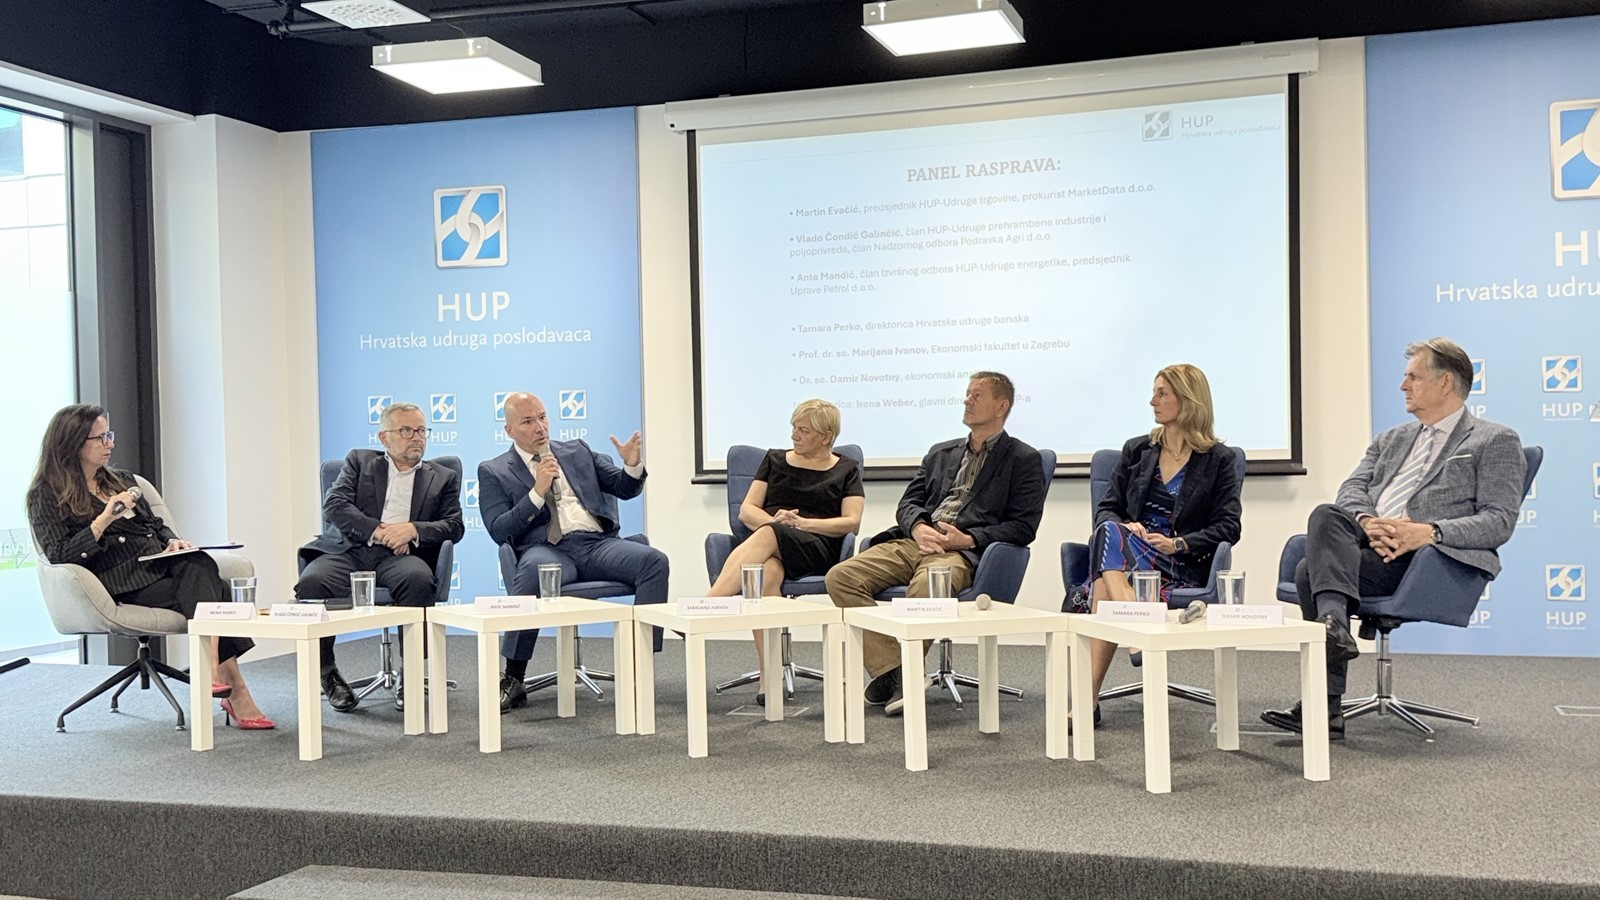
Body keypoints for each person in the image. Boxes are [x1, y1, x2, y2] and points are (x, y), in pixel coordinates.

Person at [1261, 337, 1525, 740]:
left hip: (1425, 559)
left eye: (1413, 377)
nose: (1403, 386)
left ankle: (1325, 698)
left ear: (1445, 382)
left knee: (1308, 572)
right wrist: (1370, 523)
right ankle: (1334, 634)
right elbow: (1352, 489)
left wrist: (1427, 532)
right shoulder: (1392, 439)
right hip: (1368, 544)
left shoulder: (1493, 440)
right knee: (1326, 514)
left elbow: (1498, 521)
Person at [26, 404, 274, 729]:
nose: (111, 444)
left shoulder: (123, 481)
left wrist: (173, 542)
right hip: (117, 581)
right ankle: (231, 686)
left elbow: (156, 525)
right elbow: (59, 554)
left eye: (110, 435)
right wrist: (103, 520)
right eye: (101, 438)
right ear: (72, 443)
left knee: (197, 562)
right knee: (217, 589)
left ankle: (215, 673)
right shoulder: (45, 496)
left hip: (158, 567)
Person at [826, 372, 1045, 716]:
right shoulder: (941, 452)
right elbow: (908, 503)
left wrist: (968, 538)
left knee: (925, 589)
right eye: (967, 393)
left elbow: (1023, 526)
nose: (967, 400)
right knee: (841, 577)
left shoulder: (1023, 459)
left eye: (977, 395)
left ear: (1001, 406)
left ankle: (897, 674)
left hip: (961, 551)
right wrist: (917, 527)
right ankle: (898, 671)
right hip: (915, 541)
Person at [478, 392, 668, 713]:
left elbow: (624, 487)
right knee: (533, 572)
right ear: (509, 430)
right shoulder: (494, 470)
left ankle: (640, 665)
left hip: (596, 545)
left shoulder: (577, 450)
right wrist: (537, 491)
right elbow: (500, 530)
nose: (540, 427)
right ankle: (514, 676)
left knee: (654, 562)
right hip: (547, 549)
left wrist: (632, 465)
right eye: (528, 421)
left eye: (542, 417)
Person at [1076, 364, 1241, 728]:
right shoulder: (1137, 450)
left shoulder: (1218, 460)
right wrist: (1126, 526)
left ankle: (1089, 698)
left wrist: (1178, 543)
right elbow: (1107, 508)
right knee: (1109, 528)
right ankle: (1137, 620)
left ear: (1188, 399)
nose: (1153, 401)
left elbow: (1229, 526)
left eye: (1162, 393)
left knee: (1103, 582)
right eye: (1154, 393)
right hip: (1130, 555)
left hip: (1177, 563)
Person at [295, 401, 464, 712]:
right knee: (312, 583)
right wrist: (379, 530)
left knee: (418, 580)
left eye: (421, 430)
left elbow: (454, 525)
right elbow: (335, 505)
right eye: (406, 431)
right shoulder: (360, 461)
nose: (417, 437)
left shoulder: (443, 476)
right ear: (385, 437)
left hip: (401, 555)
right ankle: (327, 673)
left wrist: (412, 530)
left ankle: (411, 672)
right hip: (350, 549)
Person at [706, 400, 865, 701]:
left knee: (770, 533)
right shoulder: (774, 460)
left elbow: (852, 521)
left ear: (826, 437)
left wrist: (803, 524)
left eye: (804, 430)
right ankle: (769, 679)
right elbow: (747, 511)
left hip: (818, 547)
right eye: (794, 427)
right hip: (773, 544)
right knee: (765, 575)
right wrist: (777, 523)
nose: (795, 435)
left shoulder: (846, 468)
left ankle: (710, 605)